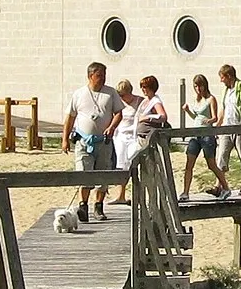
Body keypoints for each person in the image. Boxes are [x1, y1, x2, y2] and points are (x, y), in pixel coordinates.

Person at [63, 61, 123, 223]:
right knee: (84, 172)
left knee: (103, 173)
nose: (102, 79)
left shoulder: (111, 93)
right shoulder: (79, 94)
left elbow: (118, 113)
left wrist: (111, 127)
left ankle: (99, 206)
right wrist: (65, 139)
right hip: (83, 141)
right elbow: (70, 117)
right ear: (90, 76)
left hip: (103, 142)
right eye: (99, 76)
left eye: (104, 75)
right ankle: (83, 206)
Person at [119, 74, 169, 205]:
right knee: (132, 163)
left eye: (145, 87)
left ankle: (151, 200)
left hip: (148, 140)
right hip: (139, 138)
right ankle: (139, 197)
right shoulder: (145, 101)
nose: (143, 89)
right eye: (141, 87)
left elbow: (163, 116)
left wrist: (148, 118)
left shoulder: (155, 101)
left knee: (147, 168)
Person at [180, 73, 231, 201]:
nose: (198, 89)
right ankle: (185, 193)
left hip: (207, 135)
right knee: (189, 164)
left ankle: (225, 187)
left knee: (211, 164)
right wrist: (187, 111)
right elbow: (196, 117)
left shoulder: (211, 99)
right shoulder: (197, 100)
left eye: (200, 86)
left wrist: (209, 121)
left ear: (205, 85)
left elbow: (215, 117)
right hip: (195, 134)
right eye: (196, 86)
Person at [216, 64, 241, 194]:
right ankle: (219, 184)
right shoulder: (225, 91)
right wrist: (218, 125)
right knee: (222, 155)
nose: (221, 81)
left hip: (240, 129)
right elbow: (223, 109)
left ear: (228, 76)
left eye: (222, 77)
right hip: (226, 128)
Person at [112, 79, 143, 200]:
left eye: (123, 95)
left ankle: (138, 195)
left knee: (132, 163)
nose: (122, 98)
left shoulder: (140, 101)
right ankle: (121, 195)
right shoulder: (119, 103)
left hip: (134, 137)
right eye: (119, 95)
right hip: (120, 136)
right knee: (121, 164)